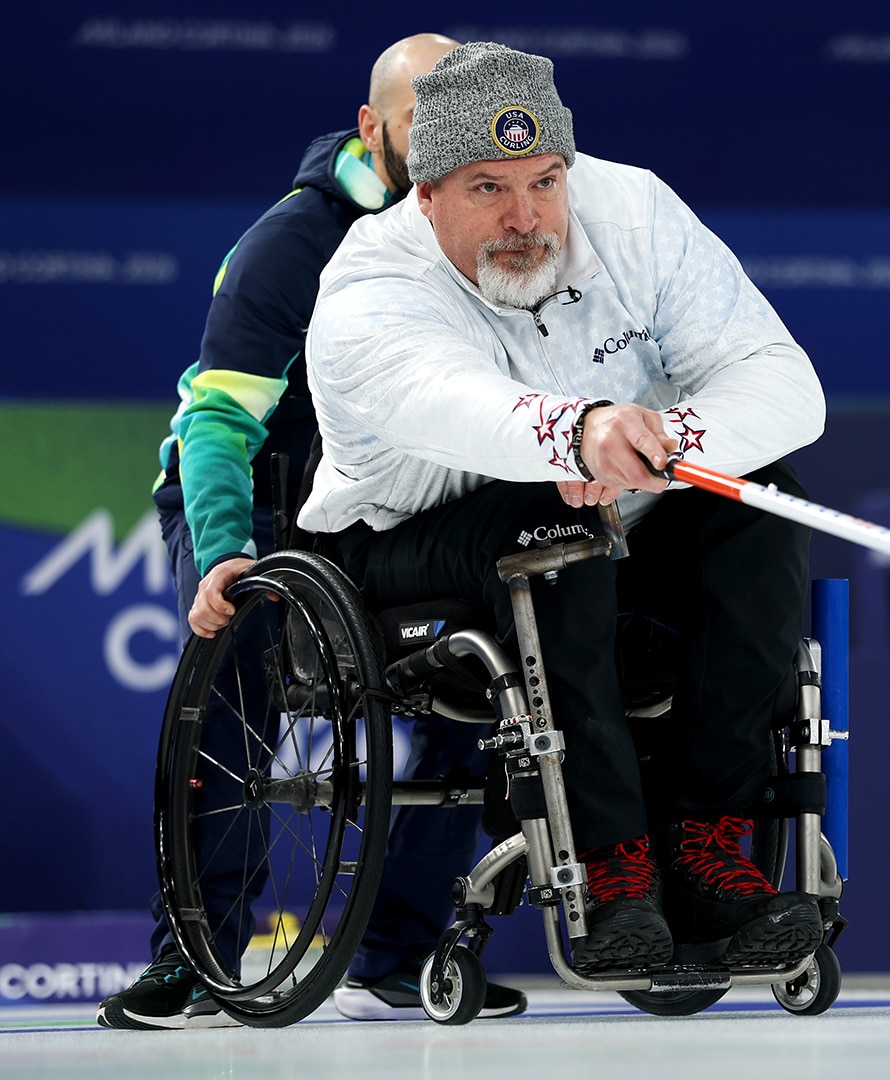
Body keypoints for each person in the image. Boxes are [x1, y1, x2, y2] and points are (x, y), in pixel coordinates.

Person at [296, 43, 828, 978]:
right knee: (558, 531)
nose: (526, 217)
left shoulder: (634, 212)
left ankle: (708, 846)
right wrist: (577, 434)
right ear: (426, 197)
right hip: (406, 538)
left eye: (545, 182)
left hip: (604, 497)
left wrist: (674, 446)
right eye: (487, 189)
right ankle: (609, 863)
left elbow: (786, 385)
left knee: (765, 500)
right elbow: (448, 403)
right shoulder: (369, 284)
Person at [98, 34, 531, 1031]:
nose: (450, 140)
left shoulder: (491, 231)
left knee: (484, 667)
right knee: (238, 665)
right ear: (374, 127)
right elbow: (214, 422)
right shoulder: (294, 242)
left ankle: (399, 950)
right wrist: (224, 555)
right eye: (427, 116)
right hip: (259, 500)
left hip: (392, 506)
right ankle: (199, 959)